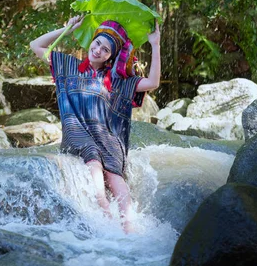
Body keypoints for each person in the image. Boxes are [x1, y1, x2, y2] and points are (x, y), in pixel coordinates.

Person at [30, 15, 161, 233]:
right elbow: (36, 45)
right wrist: (68, 30)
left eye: (105, 50)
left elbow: (153, 83)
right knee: (91, 154)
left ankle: (129, 223)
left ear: (110, 57)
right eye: (97, 43)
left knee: (113, 170)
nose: (98, 50)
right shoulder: (68, 65)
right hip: (76, 130)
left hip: (106, 136)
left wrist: (155, 44)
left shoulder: (117, 80)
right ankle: (103, 208)